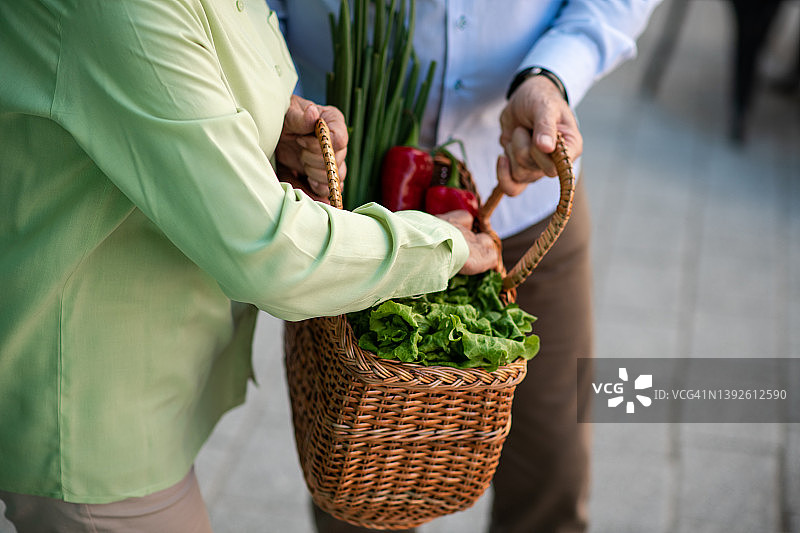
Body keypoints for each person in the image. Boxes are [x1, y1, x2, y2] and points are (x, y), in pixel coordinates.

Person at [0, 1, 500, 531]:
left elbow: (172, 80)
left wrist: (263, 137)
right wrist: (443, 245)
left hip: (146, 374)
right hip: (90, 415)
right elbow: (270, 252)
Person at [281, 1, 661, 532]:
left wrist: (552, 74)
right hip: (353, 204)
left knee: (552, 469)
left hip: (520, 198)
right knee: (362, 485)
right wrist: (278, 107)